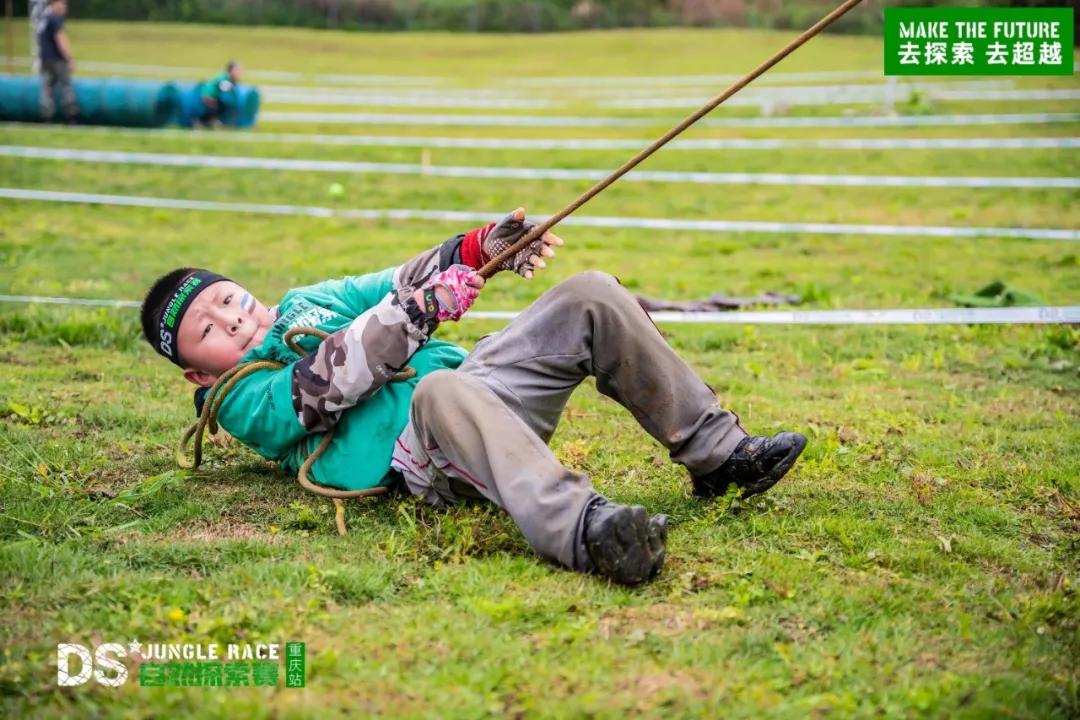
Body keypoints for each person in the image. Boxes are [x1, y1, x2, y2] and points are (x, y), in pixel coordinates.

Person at [139, 210, 807, 585]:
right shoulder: (236, 399)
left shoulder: (303, 301)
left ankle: (719, 457)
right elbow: (318, 388)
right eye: (207, 330)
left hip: (482, 387)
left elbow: (393, 280)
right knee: (438, 388)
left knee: (592, 293)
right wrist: (418, 313)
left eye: (226, 300)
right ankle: (588, 529)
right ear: (198, 374)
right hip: (425, 457)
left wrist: (481, 246)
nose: (229, 319)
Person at [37, 0, 78, 123]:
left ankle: (47, 118)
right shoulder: (55, 19)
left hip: (45, 59)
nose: (65, 7)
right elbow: (61, 39)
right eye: (63, 4)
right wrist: (69, 59)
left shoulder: (44, 18)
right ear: (54, 4)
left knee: (46, 89)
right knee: (66, 86)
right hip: (57, 60)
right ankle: (72, 117)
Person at [197, 60, 241, 128]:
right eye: (236, 70)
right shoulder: (225, 78)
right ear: (230, 70)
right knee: (218, 106)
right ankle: (201, 122)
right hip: (208, 96)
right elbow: (225, 88)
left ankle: (209, 121)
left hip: (211, 95)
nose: (238, 72)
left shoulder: (225, 77)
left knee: (221, 105)